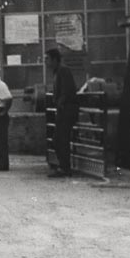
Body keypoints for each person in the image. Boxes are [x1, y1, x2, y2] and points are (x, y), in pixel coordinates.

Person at [46, 48, 78, 178]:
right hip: (63, 109)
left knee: (60, 139)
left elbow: (66, 90)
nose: (46, 62)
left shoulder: (63, 71)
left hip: (66, 109)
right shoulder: (58, 71)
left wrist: (60, 103)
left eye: (47, 59)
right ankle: (64, 166)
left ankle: (65, 168)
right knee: (58, 139)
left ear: (54, 59)